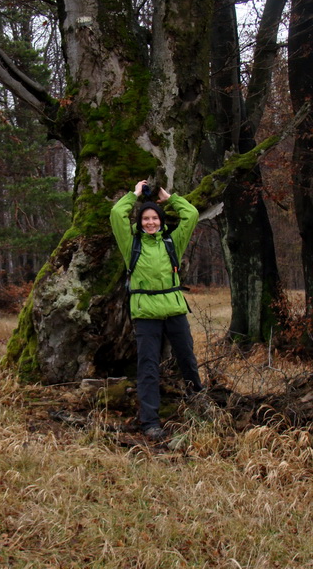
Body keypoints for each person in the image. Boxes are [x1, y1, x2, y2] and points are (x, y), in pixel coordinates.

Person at [110, 179, 204, 440]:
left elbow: (192, 214)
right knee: (148, 367)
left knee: (187, 360)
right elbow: (117, 214)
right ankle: (150, 422)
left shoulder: (172, 243)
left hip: (174, 309)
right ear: (139, 222)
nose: (150, 223)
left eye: (154, 218)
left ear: (161, 221)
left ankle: (200, 406)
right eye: (145, 219)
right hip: (145, 314)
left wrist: (170, 198)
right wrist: (135, 194)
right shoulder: (132, 246)